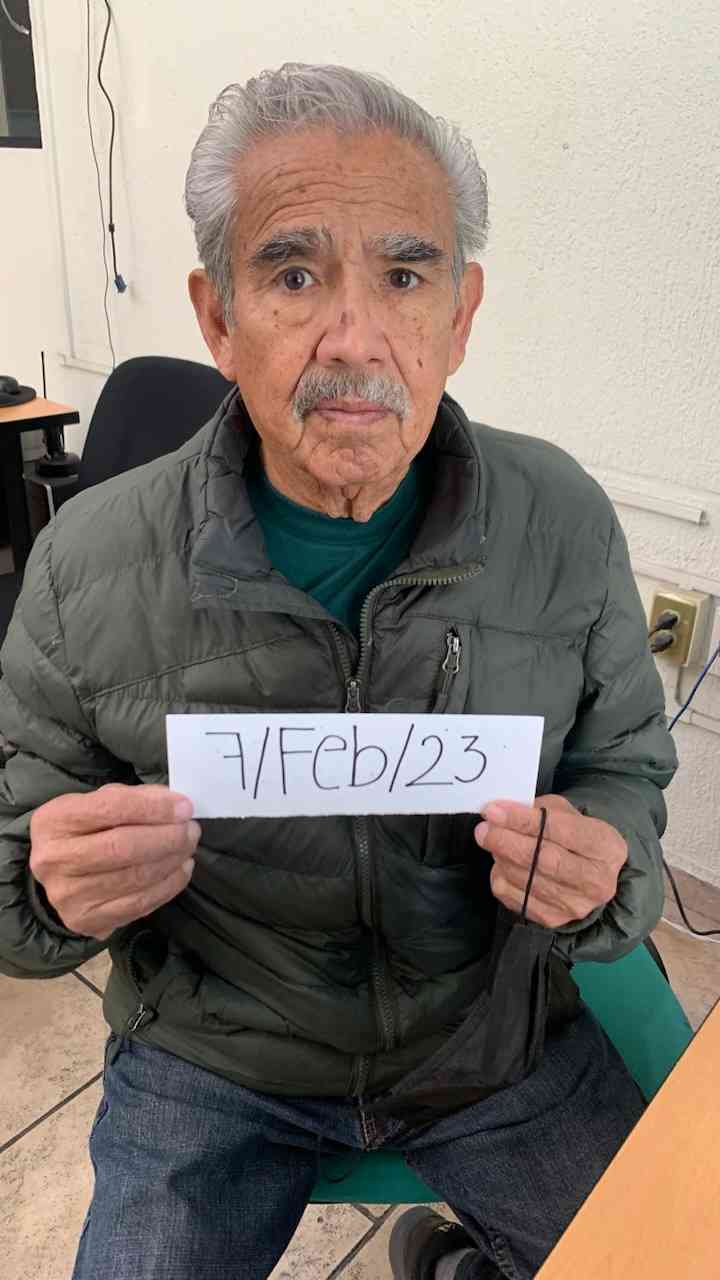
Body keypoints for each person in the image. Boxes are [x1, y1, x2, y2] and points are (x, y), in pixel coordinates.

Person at [0, 64, 677, 1280]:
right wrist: (49, 888)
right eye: (295, 274)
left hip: (494, 1039)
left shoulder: (563, 521)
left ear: (461, 314)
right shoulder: (83, 562)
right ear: (218, 317)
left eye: (405, 277)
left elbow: (624, 762)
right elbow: (12, 864)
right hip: (214, 1054)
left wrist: (605, 859)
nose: (355, 339)